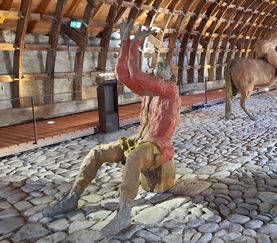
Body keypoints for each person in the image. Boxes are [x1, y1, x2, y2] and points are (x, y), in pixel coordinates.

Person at [43, 20, 181, 237]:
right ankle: (73, 196)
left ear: (169, 76)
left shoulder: (170, 90)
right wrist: (125, 41)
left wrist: (133, 42)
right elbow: (123, 75)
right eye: (155, 70)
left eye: (159, 71)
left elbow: (135, 74)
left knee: (135, 157)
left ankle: (124, 212)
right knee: (97, 153)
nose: (155, 71)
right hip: (141, 140)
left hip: (158, 146)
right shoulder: (149, 93)